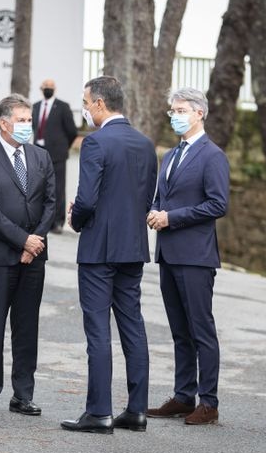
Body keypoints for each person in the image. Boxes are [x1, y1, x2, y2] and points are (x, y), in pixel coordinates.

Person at [60, 76, 157, 434]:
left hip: (99, 249)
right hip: (133, 247)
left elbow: (86, 199)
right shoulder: (146, 144)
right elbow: (148, 198)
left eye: (86, 103)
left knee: (98, 330)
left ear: (100, 104)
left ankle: (99, 411)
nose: (84, 109)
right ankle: (136, 410)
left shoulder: (96, 143)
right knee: (133, 326)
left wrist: (76, 218)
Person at [0, 94, 56, 417]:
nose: (26, 126)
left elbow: (50, 204)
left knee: (26, 326)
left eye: (29, 121)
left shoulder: (41, 157)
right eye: (21, 121)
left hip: (35, 258)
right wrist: (23, 241)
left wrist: (35, 243)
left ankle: (23, 395)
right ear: (3, 123)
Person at [146, 87, 229, 426]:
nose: (174, 116)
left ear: (199, 113)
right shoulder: (171, 155)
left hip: (196, 255)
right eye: (172, 110)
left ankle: (208, 402)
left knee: (200, 329)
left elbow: (217, 204)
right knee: (179, 330)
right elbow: (159, 195)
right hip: (168, 253)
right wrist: (154, 210)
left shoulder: (212, 156)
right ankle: (184, 395)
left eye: (181, 110)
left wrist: (171, 217)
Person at [32, 79, 78, 233]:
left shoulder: (63, 107)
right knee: (39, 188)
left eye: (50, 87)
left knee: (58, 189)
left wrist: (64, 146)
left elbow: (72, 131)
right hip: (38, 153)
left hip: (57, 155)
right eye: (45, 87)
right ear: (41, 89)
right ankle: (41, 220)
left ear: (55, 89)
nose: (48, 89)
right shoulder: (36, 106)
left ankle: (57, 222)